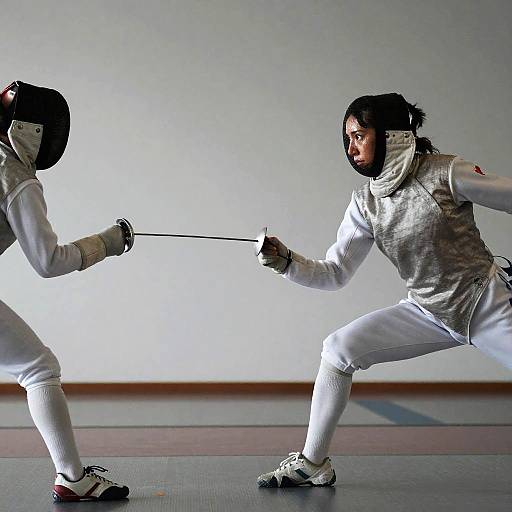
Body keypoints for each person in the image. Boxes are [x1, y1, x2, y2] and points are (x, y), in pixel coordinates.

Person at [256, 93, 512, 487]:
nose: (351, 146)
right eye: (347, 139)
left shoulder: (446, 173)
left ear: (392, 135)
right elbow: (334, 273)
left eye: (360, 134)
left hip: (485, 302)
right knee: (338, 349)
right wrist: (286, 261)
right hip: (428, 311)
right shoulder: (366, 203)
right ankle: (312, 462)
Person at [0, 81, 130, 501]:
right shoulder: (14, 175)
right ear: (31, 129)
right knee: (39, 368)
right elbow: (48, 261)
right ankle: (73, 478)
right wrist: (106, 244)